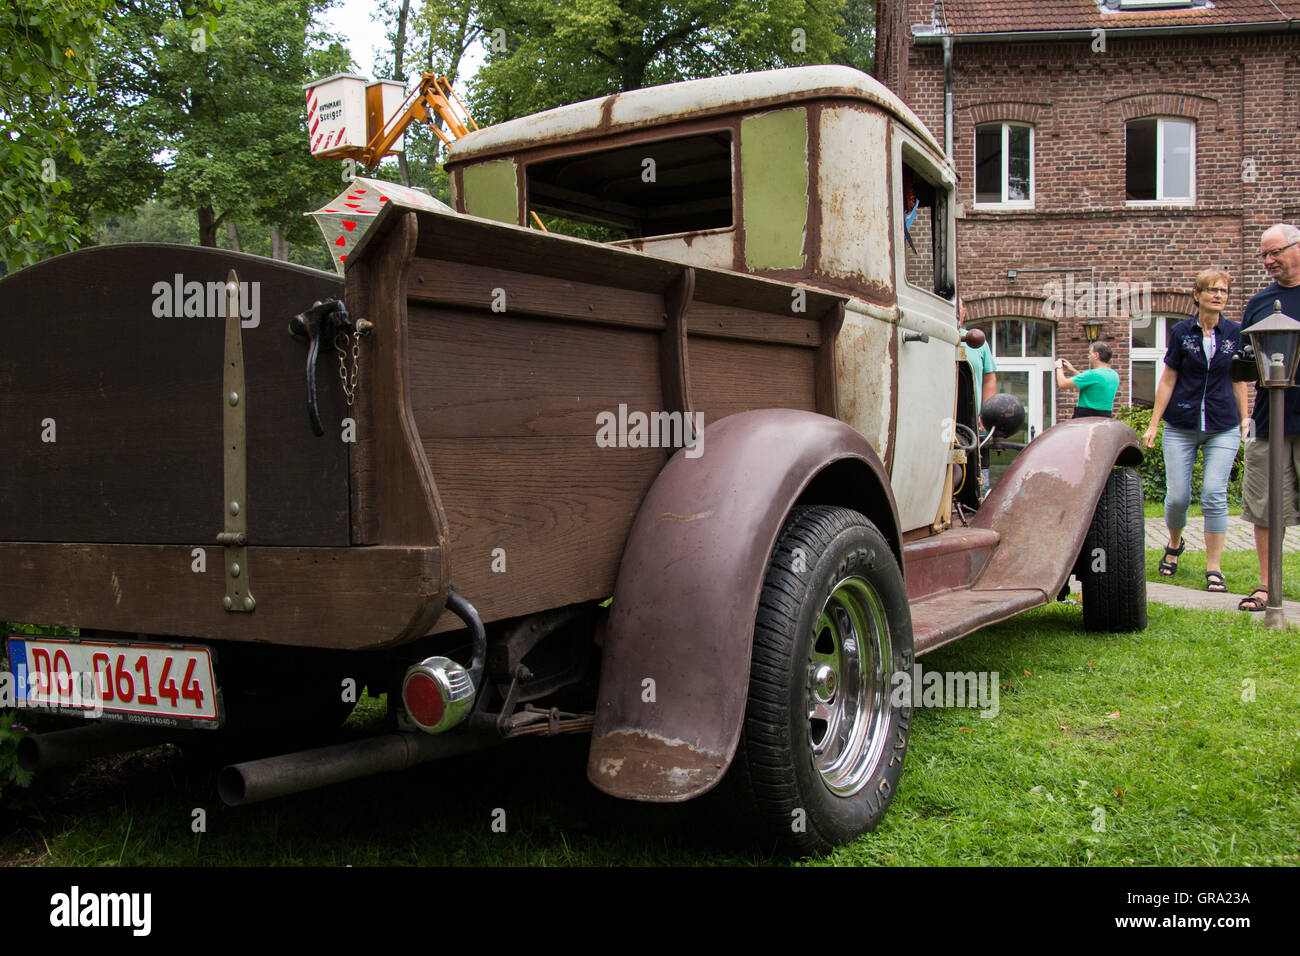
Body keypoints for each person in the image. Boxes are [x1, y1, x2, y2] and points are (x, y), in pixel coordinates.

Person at [1141, 268, 1249, 592]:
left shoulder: (1235, 333)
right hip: (1182, 424)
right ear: (1197, 294)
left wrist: (1245, 418)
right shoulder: (1180, 332)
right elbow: (1169, 378)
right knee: (1177, 498)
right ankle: (1174, 544)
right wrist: (1154, 423)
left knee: (1214, 494)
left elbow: (1238, 378)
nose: (1218, 295)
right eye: (1211, 290)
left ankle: (1214, 567)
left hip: (1222, 425)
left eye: (1223, 291)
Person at [1238, 223, 1300, 611]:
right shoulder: (1259, 303)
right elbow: (1246, 362)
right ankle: (1265, 586)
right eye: (1263, 254)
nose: (1268, 261)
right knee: (1264, 505)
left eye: (1274, 252)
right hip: (1269, 419)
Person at [959, 300, 997, 493]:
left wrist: (985, 413)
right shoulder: (935, 336)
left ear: (964, 311)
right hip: (943, 419)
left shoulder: (978, 342)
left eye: (957, 306)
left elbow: (989, 378)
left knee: (979, 469)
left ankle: (980, 499)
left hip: (973, 420)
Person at [1056, 341, 1120, 418]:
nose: (1088, 356)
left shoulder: (1092, 374)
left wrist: (1058, 367)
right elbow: (1091, 382)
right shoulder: (1114, 375)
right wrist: (1072, 371)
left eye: (1090, 353)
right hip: (1105, 417)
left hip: (1085, 418)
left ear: (1096, 355)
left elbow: (1063, 384)